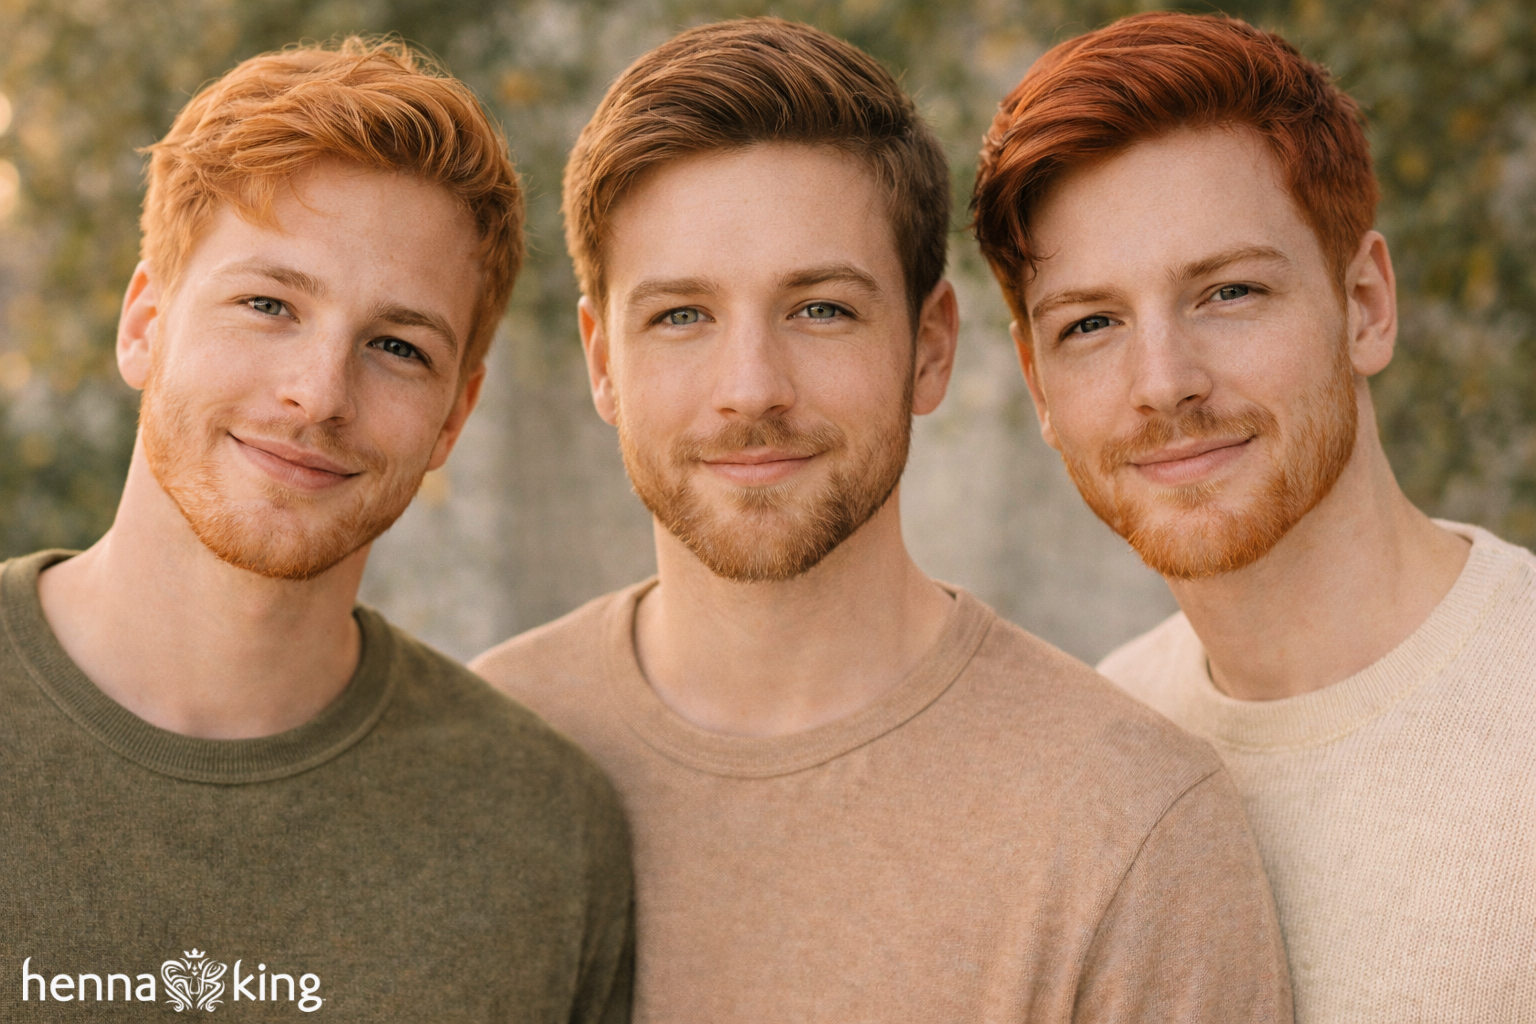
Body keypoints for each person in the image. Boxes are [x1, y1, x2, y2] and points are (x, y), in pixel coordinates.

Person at [472, 17, 1291, 1023]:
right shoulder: (481, 758)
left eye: (820, 308)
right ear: (603, 360)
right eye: (681, 314)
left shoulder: (1130, 824)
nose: (751, 389)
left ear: (931, 346)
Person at [2, 38, 632, 1021]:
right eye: (267, 303)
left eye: (395, 346)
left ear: (454, 417)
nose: (318, 394)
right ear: (143, 323)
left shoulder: (543, 828)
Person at [972, 11, 1536, 1021]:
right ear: (1039, 385)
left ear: (1365, 303)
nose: (1163, 383)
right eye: (1092, 324)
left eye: (1229, 292)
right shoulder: (1107, 746)